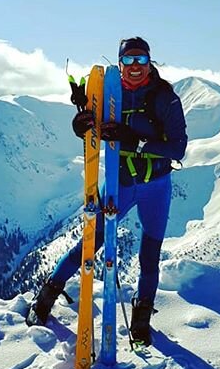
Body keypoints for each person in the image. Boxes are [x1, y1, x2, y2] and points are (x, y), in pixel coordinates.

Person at [26, 37, 188, 345]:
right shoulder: (107, 93)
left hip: (155, 185)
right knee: (88, 244)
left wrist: (136, 141)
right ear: (119, 63)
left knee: (149, 256)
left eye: (141, 60)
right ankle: (46, 297)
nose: (135, 67)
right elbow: (95, 129)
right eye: (128, 61)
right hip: (119, 183)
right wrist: (83, 123)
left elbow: (178, 148)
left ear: (150, 61)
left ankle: (141, 318)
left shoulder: (165, 98)